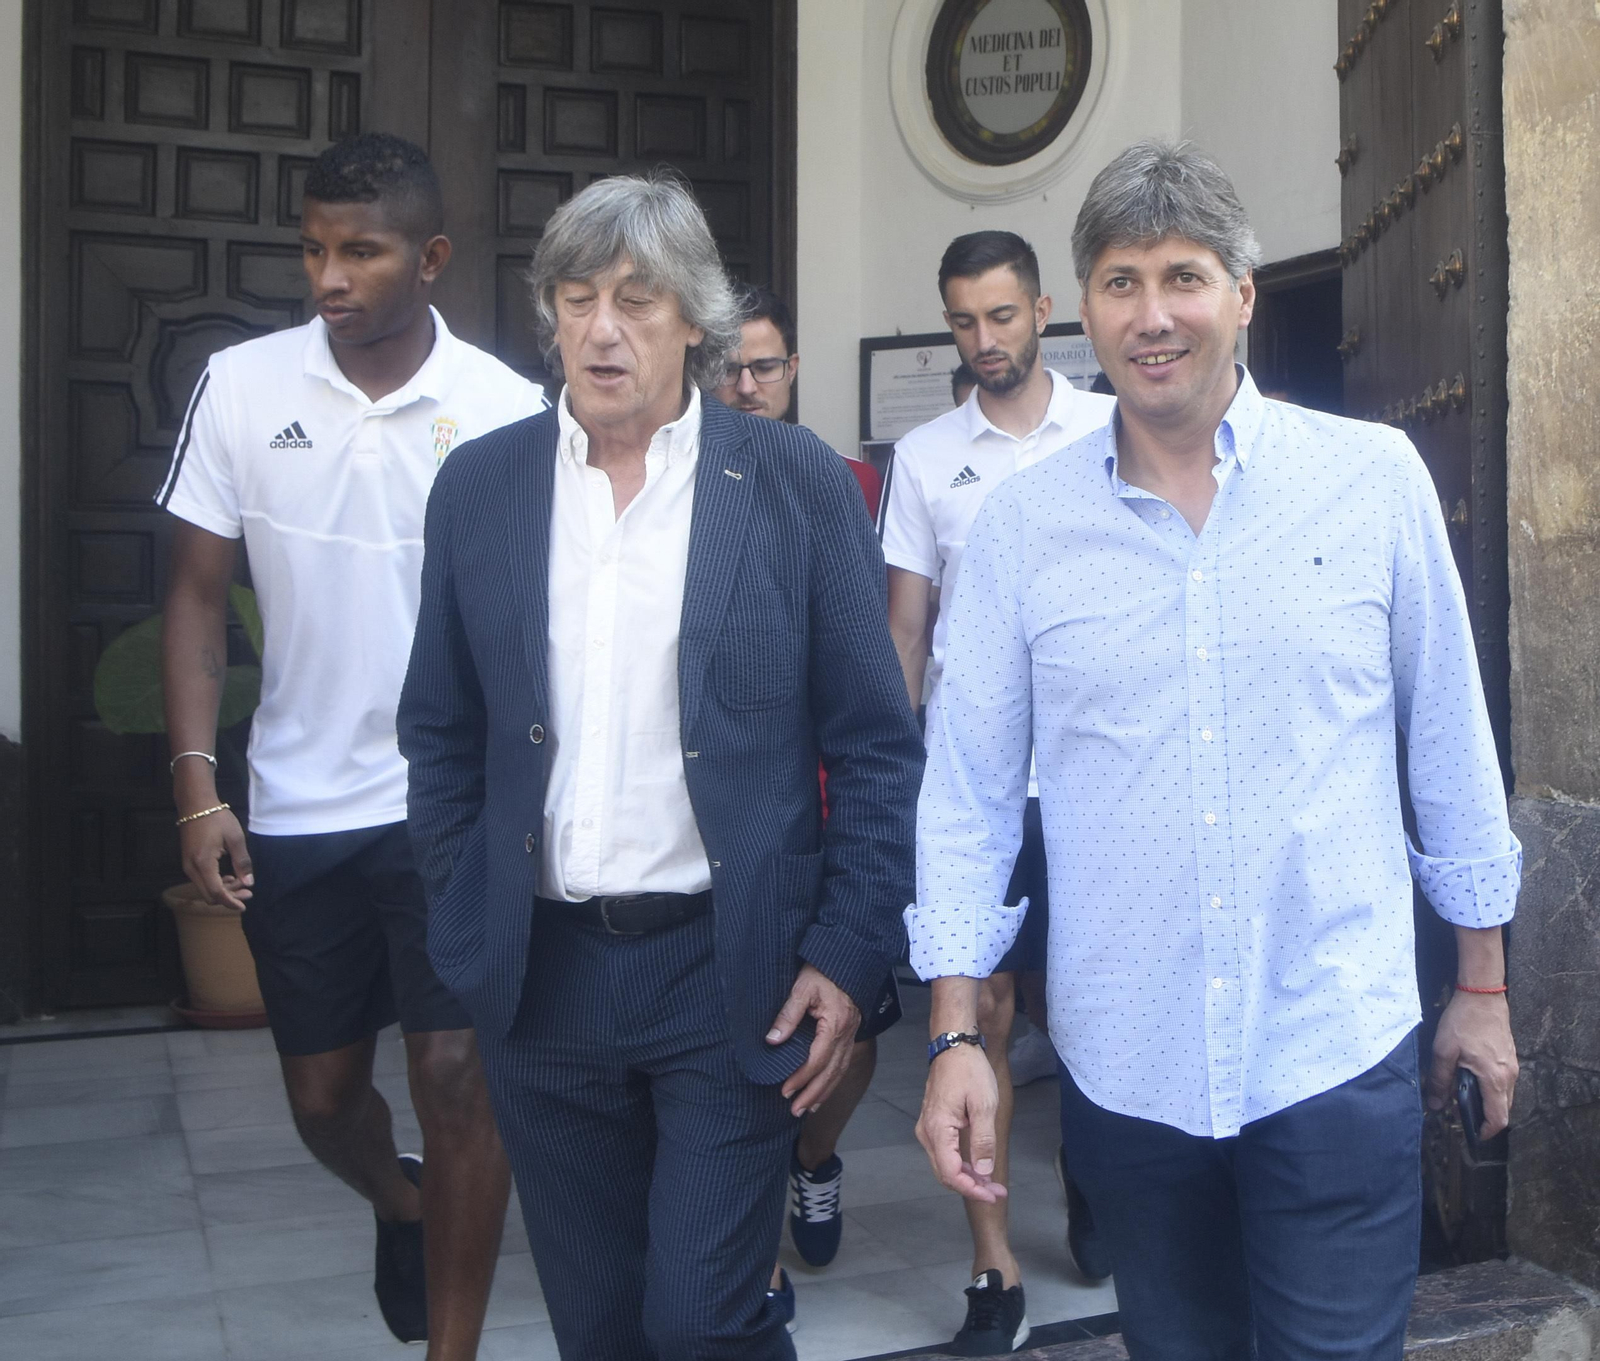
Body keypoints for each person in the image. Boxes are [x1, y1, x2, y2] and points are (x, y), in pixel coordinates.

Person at [911, 140, 1521, 1361]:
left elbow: (1447, 738)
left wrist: (1482, 984)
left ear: (1241, 292)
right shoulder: (1026, 527)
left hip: (1330, 1042)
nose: (1153, 315)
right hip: (1128, 1060)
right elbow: (968, 792)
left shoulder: (1368, 480)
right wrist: (954, 1033)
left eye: (1182, 276)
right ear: (1081, 306)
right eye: (1121, 281)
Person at [396, 172, 922, 1361]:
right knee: (598, 1326)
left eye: (636, 300)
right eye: (575, 298)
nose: (599, 329)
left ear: (697, 321)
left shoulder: (792, 487)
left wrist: (844, 952)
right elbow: (439, 730)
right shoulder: (482, 487)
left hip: (725, 971)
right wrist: (464, 919)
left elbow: (877, 745)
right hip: (544, 977)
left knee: (698, 1320)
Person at [156, 134, 546, 1358]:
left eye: (361, 251)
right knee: (324, 1097)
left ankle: (452, 1345)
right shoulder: (242, 386)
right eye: (315, 248)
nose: (330, 275)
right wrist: (195, 788)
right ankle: (399, 1196)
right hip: (299, 801)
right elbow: (194, 599)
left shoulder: (501, 406)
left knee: (455, 1071)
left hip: (453, 804)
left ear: (429, 259)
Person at [878, 230, 1115, 1354]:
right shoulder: (925, 457)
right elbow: (906, 630)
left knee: (1088, 1001)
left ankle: (1098, 1171)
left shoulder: (1110, 425)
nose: (983, 341)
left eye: (1002, 317)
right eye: (964, 322)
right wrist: (897, 776)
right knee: (983, 1012)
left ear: (1043, 309)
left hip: (1100, 775)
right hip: (979, 783)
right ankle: (993, 1264)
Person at [716, 282, 901, 1329]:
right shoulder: (674, 484)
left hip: (836, 801)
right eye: (729, 368)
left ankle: (812, 1158)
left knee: (854, 1025)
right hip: (735, 816)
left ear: (794, 373)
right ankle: (747, 1243)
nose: (747, 386)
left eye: (766, 366)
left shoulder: (850, 485)